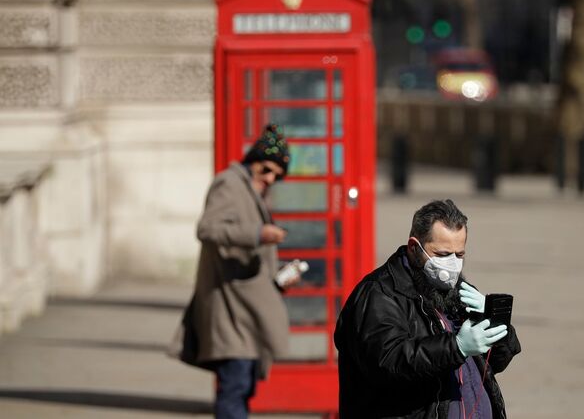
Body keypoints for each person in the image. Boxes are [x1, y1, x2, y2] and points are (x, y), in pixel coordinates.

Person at [334, 199, 521, 418]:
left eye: (459, 254)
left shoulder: (458, 289)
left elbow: (493, 363)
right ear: (414, 247)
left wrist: (495, 324)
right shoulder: (379, 294)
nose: (452, 264)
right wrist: (457, 347)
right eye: (442, 254)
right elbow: (387, 363)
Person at [168, 124, 299, 419]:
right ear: (253, 159)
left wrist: (278, 278)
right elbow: (207, 228)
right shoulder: (229, 183)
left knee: (243, 386)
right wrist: (257, 233)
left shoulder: (253, 190)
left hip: (247, 309)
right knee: (234, 387)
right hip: (230, 308)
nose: (270, 179)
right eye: (267, 169)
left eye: (277, 176)